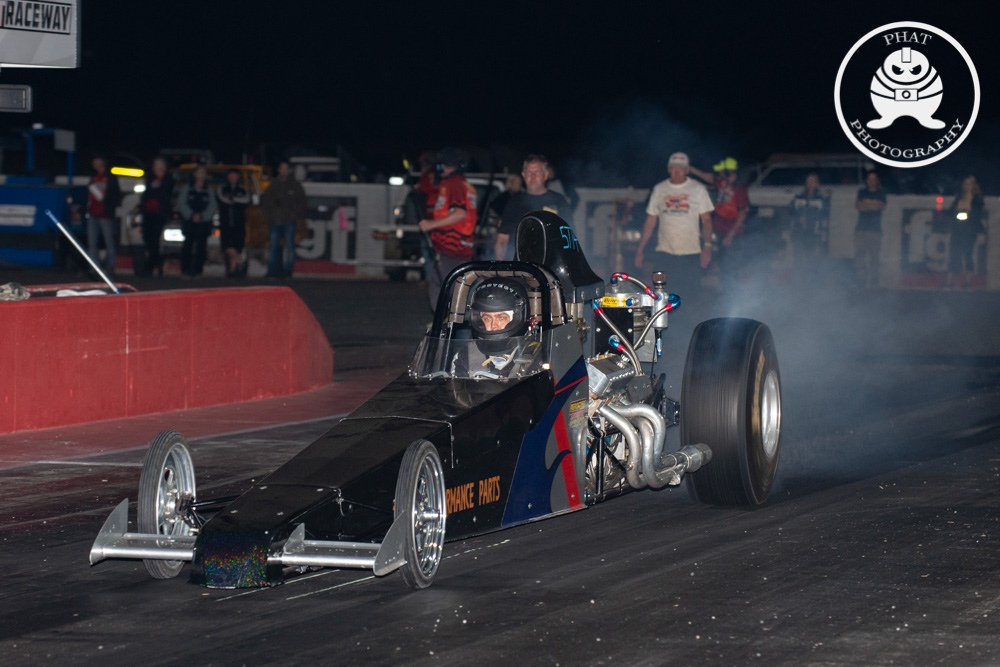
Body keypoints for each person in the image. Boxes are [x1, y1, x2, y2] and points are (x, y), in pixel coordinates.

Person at [634, 152, 714, 301]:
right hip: (664, 253)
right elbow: (650, 221)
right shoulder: (660, 189)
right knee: (662, 296)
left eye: (681, 168)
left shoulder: (698, 189)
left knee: (690, 298)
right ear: (669, 169)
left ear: (687, 170)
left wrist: (707, 247)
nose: (677, 172)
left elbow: (706, 220)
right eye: (674, 168)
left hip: (691, 253)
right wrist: (640, 250)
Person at [418, 148, 477, 308]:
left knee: (445, 286)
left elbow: (459, 213)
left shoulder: (454, 184)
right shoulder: (463, 184)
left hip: (452, 246)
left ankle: (449, 320)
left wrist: (430, 224)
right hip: (459, 246)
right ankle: (450, 318)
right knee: (450, 286)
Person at [494, 155, 569, 260]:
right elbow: (502, 238)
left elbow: (568, 239)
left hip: (549, 264)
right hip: (519, 265)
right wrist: (501, 265)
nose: (533, 176)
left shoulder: (558, 201)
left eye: (537, 172)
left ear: (546, 175)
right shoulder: (514, 202)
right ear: (523, 175)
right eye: (529, 172)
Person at [690, 157, 748, 290]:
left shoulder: (739, 189)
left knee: (730, 267)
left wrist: (730, 235)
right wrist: (692, 170)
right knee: (721, 265)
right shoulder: (722, 183)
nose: (719, 174)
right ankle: (724, 292)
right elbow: (709, 177)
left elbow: (742, 214)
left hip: (732, 235)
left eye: (722, 172)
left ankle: (732, 294)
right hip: (720, 232)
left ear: (729, 173)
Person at [454, 277, 531, 378]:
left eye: (501, 318)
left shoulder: (537, 356)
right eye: (487, 318)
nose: (493, 325)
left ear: (517, 318)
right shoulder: (466, 356)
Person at [261, 160, 308, 279]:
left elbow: (302, 202)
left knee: (290, 247)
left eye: (286, 168)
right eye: (282, 168)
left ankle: (288, 272)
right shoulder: (273, 184)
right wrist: (268, 216)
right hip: (275, 221)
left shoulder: (295, 185)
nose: (284, 171)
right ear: (278, 170)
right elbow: (265, 201)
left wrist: (296, 215)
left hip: (289, 221)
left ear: (289, 170)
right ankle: (271, 272)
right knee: (273, 247)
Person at [947, 175, 986, 289]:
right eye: (965, 184)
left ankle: (968, 281)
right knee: (954, 254)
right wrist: (956, 214)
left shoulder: (977, 199)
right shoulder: (959, 197)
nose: (967, 186)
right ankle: (949, 281)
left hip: (969, 231)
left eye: (970, 184)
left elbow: (977, 214)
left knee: (968, 254)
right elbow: (951, 211)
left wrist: (967, 215)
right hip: (957, 230)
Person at [85, 155, 122, 276]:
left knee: (109, 242)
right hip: (92, 214)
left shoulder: (110, 177)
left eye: (98, 162)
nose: (96, 165)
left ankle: (110, 267)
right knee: (92, 242)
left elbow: (116, 194)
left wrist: (109, 208)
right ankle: (94, 267)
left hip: (106, 215)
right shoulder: (93, 178)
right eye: (94, 163)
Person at [177, 165, 217, 277]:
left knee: (201, 247)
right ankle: (186, 270)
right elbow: (181, 203)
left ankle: (198, 270)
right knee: (187, 246)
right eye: (199, 172)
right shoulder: (187, 188)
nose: (201, 174)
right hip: (189, 222)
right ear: (194, 174)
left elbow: (212, 205)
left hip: (203, 223)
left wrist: (203, 216)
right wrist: (191, 215)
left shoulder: (209, 190)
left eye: (203, 172)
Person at [138, 157, 174, 277]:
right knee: (147, 240)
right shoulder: (150, 178)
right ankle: (158, 264)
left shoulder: (168, 179)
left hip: (160, 214)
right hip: (148, 214)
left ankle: (149, 268)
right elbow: (146, 194)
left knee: (155, 240)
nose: (155, 167)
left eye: (158, 165)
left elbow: (166, 194)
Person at [790, 172, 829, 272]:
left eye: (813, 181)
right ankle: (798, 278)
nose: (810, 183)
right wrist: (799, 218)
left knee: (812, 258)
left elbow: (825, 214)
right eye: (808, 181)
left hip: (814, 232)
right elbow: (792, 212)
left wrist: (810, 218)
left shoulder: (821, 198)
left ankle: (813, 278)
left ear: (817, 184)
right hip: (799, 231)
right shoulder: (799, 197)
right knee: (798, 257)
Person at [855, 171, 886, 289]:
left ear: (877, 181)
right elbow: (859, 206)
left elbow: (881, 206)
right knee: (860, 256)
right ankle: (861, 279)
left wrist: (867, 206)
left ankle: (874, 280)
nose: (871, 181)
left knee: (874, 256)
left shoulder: (881, 193)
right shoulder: (862, 192)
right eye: (869, 179)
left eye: (873, 179)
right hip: (861, 229)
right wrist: (873, 206)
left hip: (875, 230)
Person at [217, 169, 251, 277]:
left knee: (237, 246)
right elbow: (222, 199)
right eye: (230, 175)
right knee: (227, 246)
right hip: (225, 222)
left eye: (234, 175)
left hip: (239, 223)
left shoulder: (243, 189)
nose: (232, 178)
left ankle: (233, 270)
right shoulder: (222, 188)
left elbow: (247, 200)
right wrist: (237, 200)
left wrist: (233, 198)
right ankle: (240, 261)